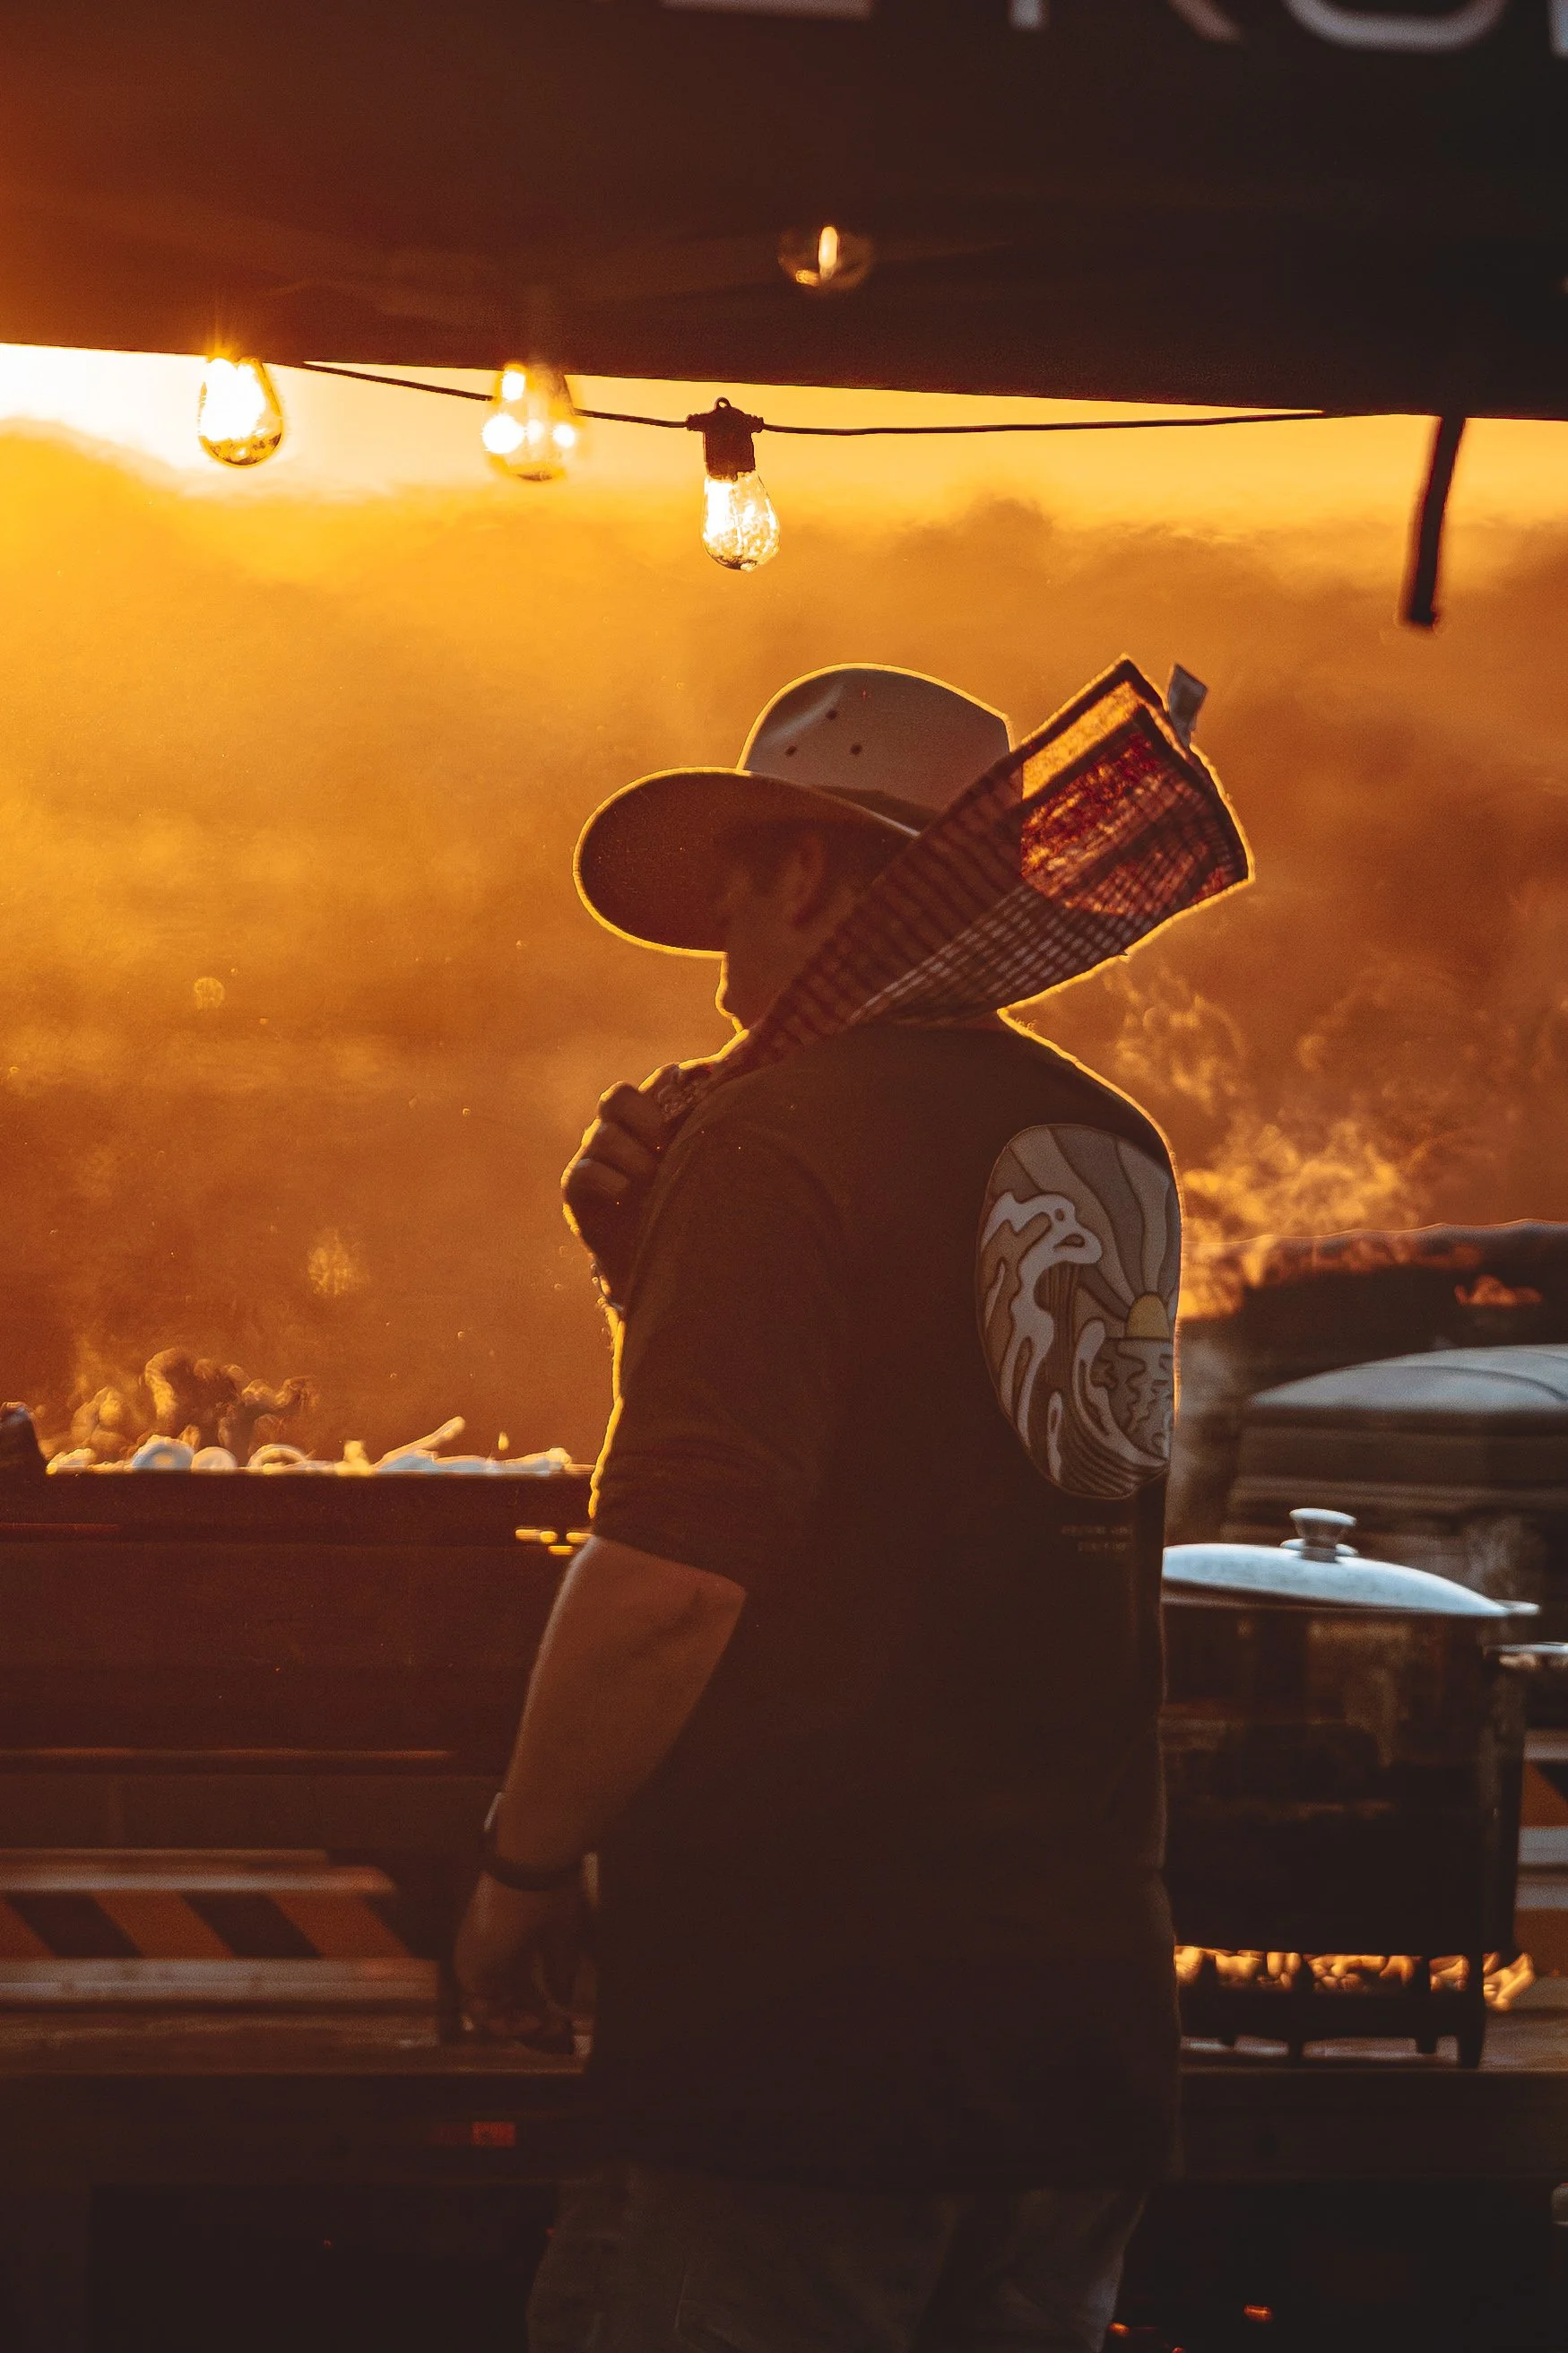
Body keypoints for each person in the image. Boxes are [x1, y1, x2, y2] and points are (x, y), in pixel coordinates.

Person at [455, 663, 1246, 2350]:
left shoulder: (774, 1138)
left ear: (807, 871)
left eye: (738, 879)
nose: (720, 942)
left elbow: (673, 1577)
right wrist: (644, 1276)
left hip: (806, 2055)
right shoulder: (1107, 1144)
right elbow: (949, 1477)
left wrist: (524, 1871)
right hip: (1066, 2046)